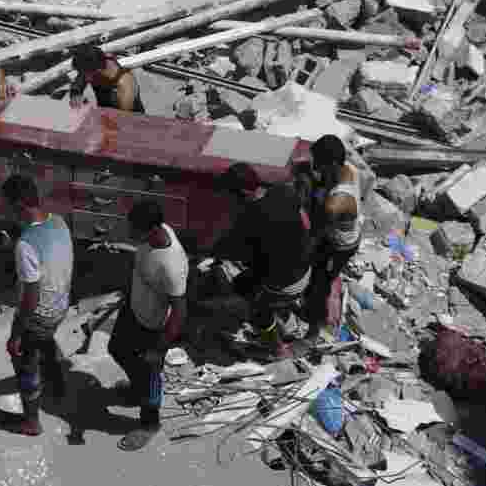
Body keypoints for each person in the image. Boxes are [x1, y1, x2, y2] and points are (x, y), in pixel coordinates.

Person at [107, 200, 188, 452]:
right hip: (133, 310)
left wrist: (160, 348)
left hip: (153, 326)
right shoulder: (151, 236)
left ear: (151, 230)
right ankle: (136, 389)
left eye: (134, 230)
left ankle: (150, 424)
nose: (130, 234)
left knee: (150, 374)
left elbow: (180, 309)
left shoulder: (171, 264)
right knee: (117, 349)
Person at [209, 163, 313, 360]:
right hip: (306, 267)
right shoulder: (283, 191)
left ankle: (278, 348)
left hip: (287, 284)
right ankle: (285, 310)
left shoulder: (249, 218)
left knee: (253, 304)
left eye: (230, 195)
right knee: (244, 281)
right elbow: (304, 220)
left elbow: (231, 252)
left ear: (240, 193)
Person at [2, 174, 75, 437]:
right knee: (46, 342)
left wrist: (15, 335)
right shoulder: (59, 222)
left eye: (6, 205)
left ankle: (31, 422)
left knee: (24, 360)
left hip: (39, 313)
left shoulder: (25, 245)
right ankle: (57, 386)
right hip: (61, 304)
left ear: (18, 206)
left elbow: (30, 297)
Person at [304, 135, 364, 344]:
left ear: (332, 163)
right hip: (348, 232)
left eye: (319, 164)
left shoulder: (336, 202)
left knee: (320, 281)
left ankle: (315, 328)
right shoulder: (350, 169)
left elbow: (316, 232)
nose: (316, 167)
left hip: (340, 244)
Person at [69, 45, 146, 114]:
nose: (84, 77)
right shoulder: (96, 61)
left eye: (85, 74)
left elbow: (124, 120)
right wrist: (75, 93)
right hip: (105, 115)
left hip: (131, 121)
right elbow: (79, 81)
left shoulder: (125, 85)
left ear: (96, 70)